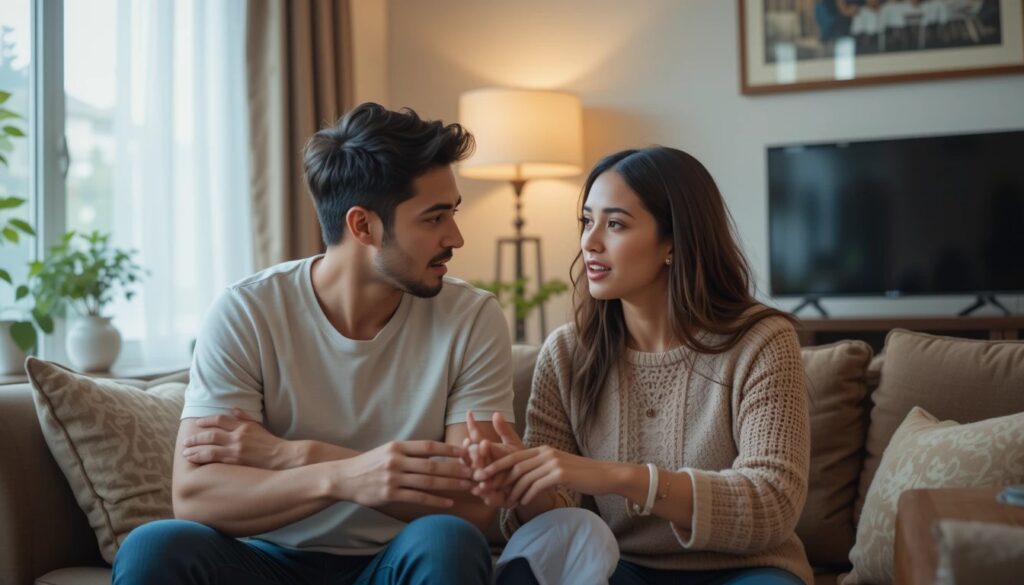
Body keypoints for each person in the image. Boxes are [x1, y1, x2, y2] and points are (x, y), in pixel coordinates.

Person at [111, 103, 515, 585]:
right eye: (434, 218)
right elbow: (197, 497)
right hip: (265, 561)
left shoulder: (471, 317)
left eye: (453, 213)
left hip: (393, 561)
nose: (456, 237)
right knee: (154, 546)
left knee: (448, 540)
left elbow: (473, 505)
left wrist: (292, 455)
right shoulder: (247, 311)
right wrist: (343, 476)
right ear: (363, 225)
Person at [466, 146, 814, 585]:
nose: (590, 242)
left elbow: (773, 503)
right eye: (587, 221)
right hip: (619, 570)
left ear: (673, 242)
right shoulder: (567, 353)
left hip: (748, 570)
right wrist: (525, 487)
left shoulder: (762, 342)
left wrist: (617, 476)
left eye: (615, 224)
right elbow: (561, 520)